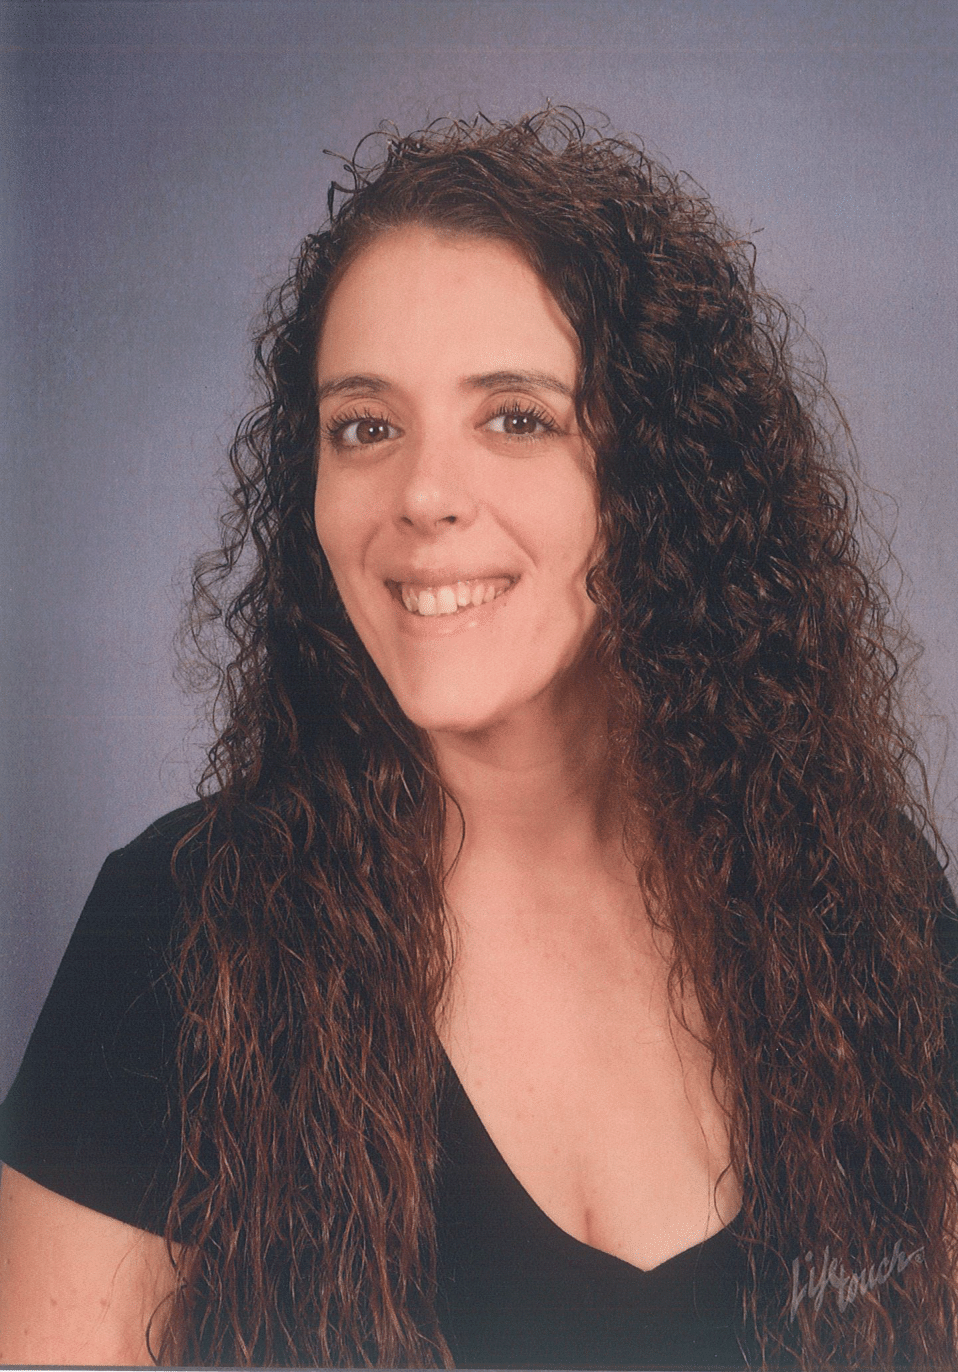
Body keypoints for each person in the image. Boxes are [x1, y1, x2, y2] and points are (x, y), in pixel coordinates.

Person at [0, 107, 956, 1371]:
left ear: (659, 479)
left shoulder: (862, 896)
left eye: (515, 417)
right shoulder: (179, 932)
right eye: (364, 426)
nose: (422, 495)